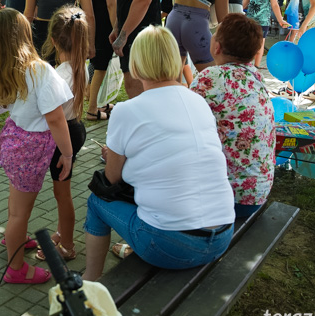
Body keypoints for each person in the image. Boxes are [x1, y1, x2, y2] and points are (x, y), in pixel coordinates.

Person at [83, 26, 235, 278]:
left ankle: (90, 281)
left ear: (136, 64)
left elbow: (111, 180)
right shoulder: (197, 100)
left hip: (168, 244)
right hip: (222, 235)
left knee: (96, 201)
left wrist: (114, 159)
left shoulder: (126, 110)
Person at [0, 8, 74, 284]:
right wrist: (67, 152)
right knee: (20, 213)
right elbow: (55, 117)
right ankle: (16, 268)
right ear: (26, 34)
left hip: (14, 144)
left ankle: (12, 238)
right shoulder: (41, 70)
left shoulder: (2, 74)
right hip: (33, 150)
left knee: (15, 204)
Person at [191, 14, 275, 218]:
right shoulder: (255, 76)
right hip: (257, 194)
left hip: (227, 199)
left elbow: (181, 123)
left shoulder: (209, 78)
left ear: (217, 47)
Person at [34, 6, 89, 262]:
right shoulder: (79, 66)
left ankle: (67, 246)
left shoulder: (58, 76)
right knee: (62, 193)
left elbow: (49, 114)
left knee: (62, 194)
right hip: (74, 129)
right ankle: (61, 231)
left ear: (53, 40)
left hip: (63, 136)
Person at [83, 0, 118, 120]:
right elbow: (112, 4)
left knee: (95, 64)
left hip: (87, 25)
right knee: (101, 67)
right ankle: (92, 109)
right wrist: (116, 29)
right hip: (104, 25)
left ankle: (98, 102)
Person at [244, 0, 290, 67]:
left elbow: (275, 5)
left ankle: (256, 68)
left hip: (262, 21)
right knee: (248, 45)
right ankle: (246, 67)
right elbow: (246, 2)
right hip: (250, 20)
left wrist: (280, 20)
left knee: (260, 47)